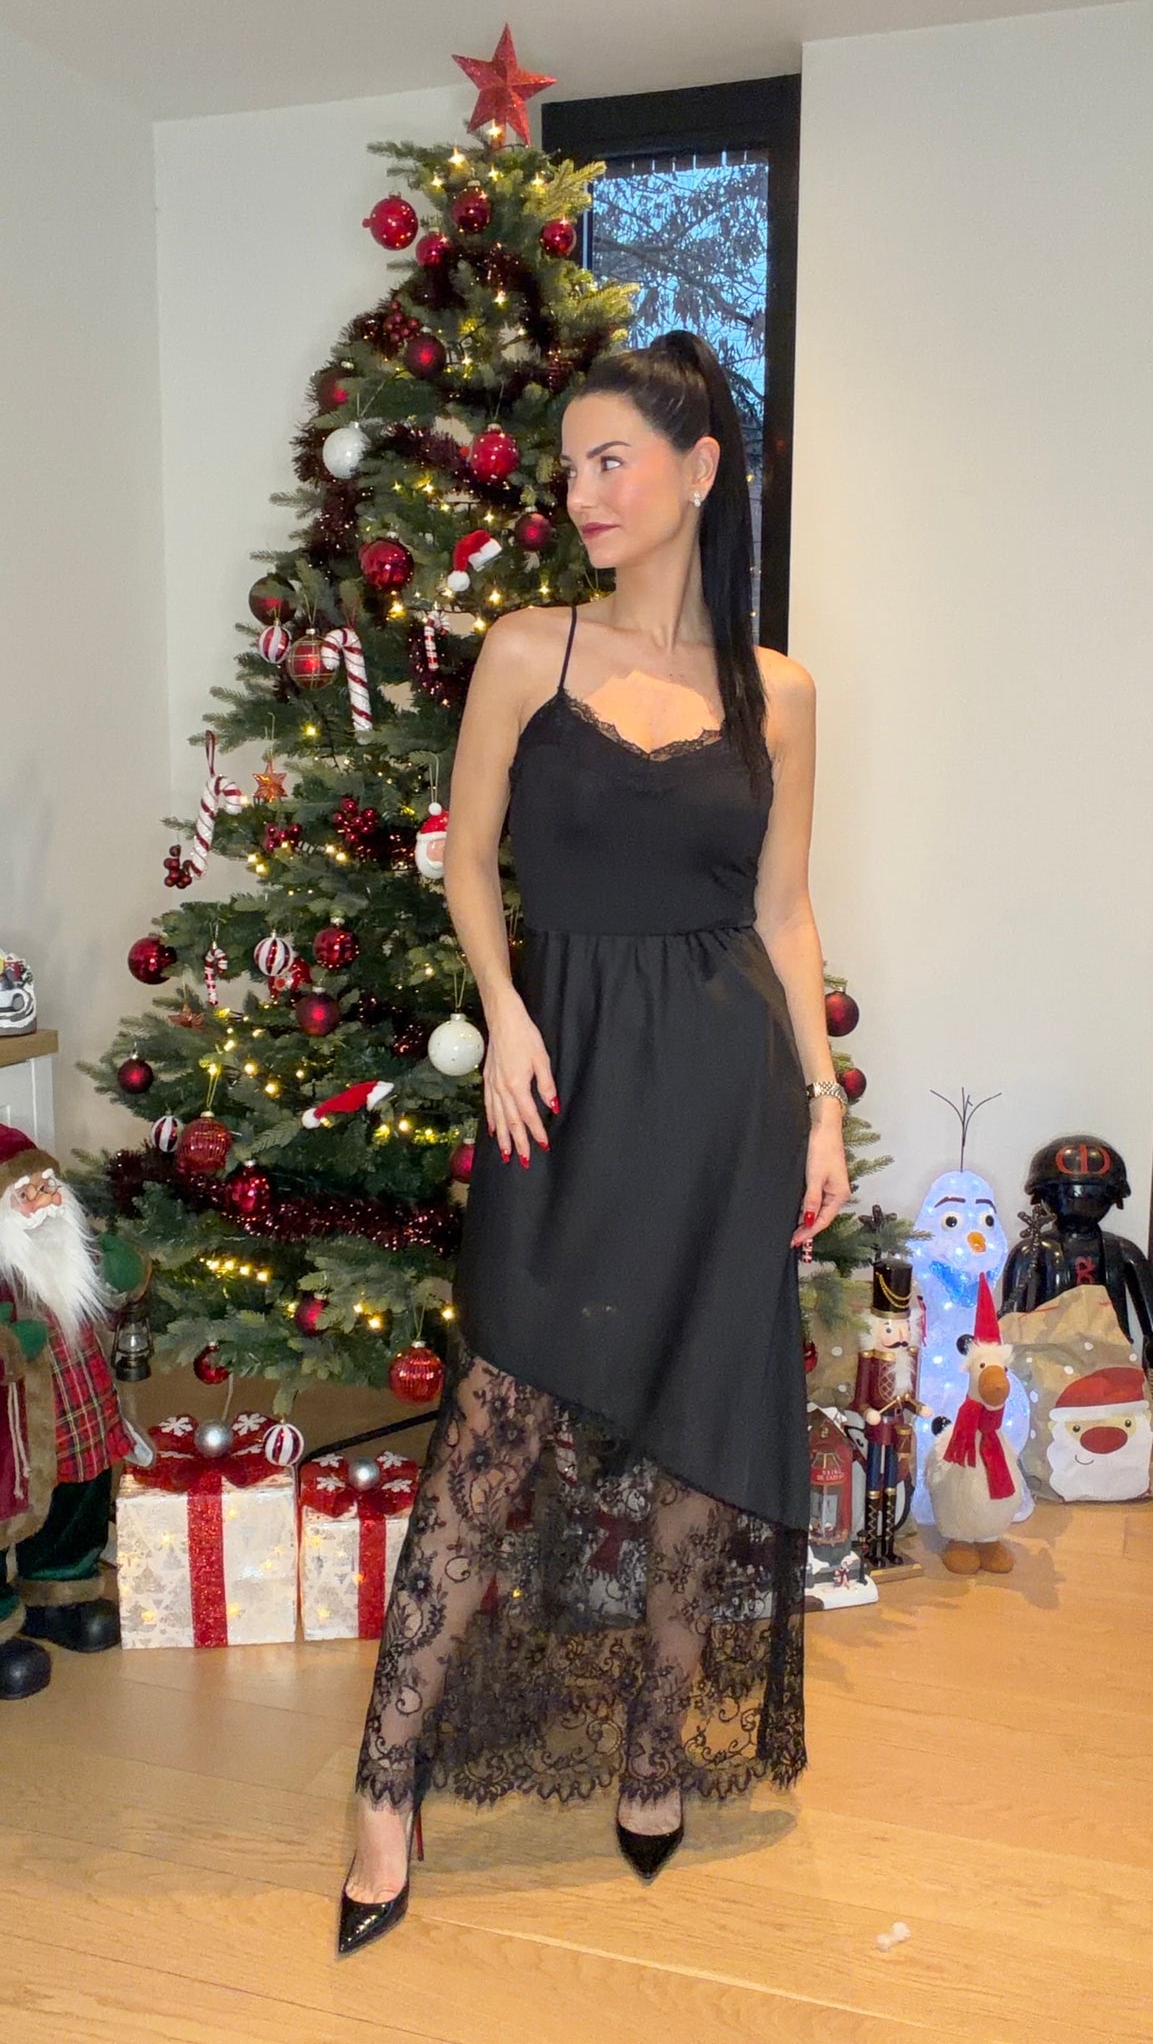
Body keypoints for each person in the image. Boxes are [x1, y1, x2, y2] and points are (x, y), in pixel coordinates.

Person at [339, 329, 851, 1955]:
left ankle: (655, 1742)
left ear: (697, 471)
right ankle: (385, 1785)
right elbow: (467, 855)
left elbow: (781, 909)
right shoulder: (523, 651)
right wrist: (502, 1011)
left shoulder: (779, 693)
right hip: (557, 1083)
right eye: (567, 466)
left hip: (721, 1095)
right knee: (492, 1422)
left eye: (608, 460)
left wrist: (823, 1103)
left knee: (700, 1430)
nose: (579, 491)